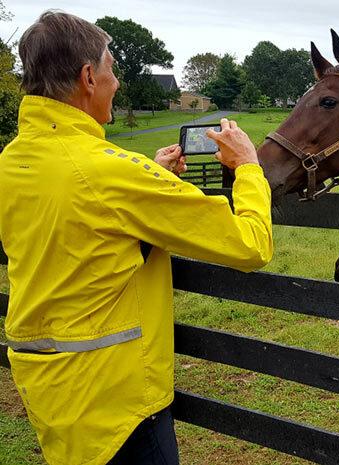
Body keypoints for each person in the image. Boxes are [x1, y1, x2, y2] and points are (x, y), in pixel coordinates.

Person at [0, 10, 273, 465]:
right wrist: (247, 166)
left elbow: (77, 215)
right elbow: (250, 243)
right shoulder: (114, 174)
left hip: (49, 390)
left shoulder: (13, 159)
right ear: (89, 76)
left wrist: (150, 179)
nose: (118, 82)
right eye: (111, 69)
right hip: (117, 405)